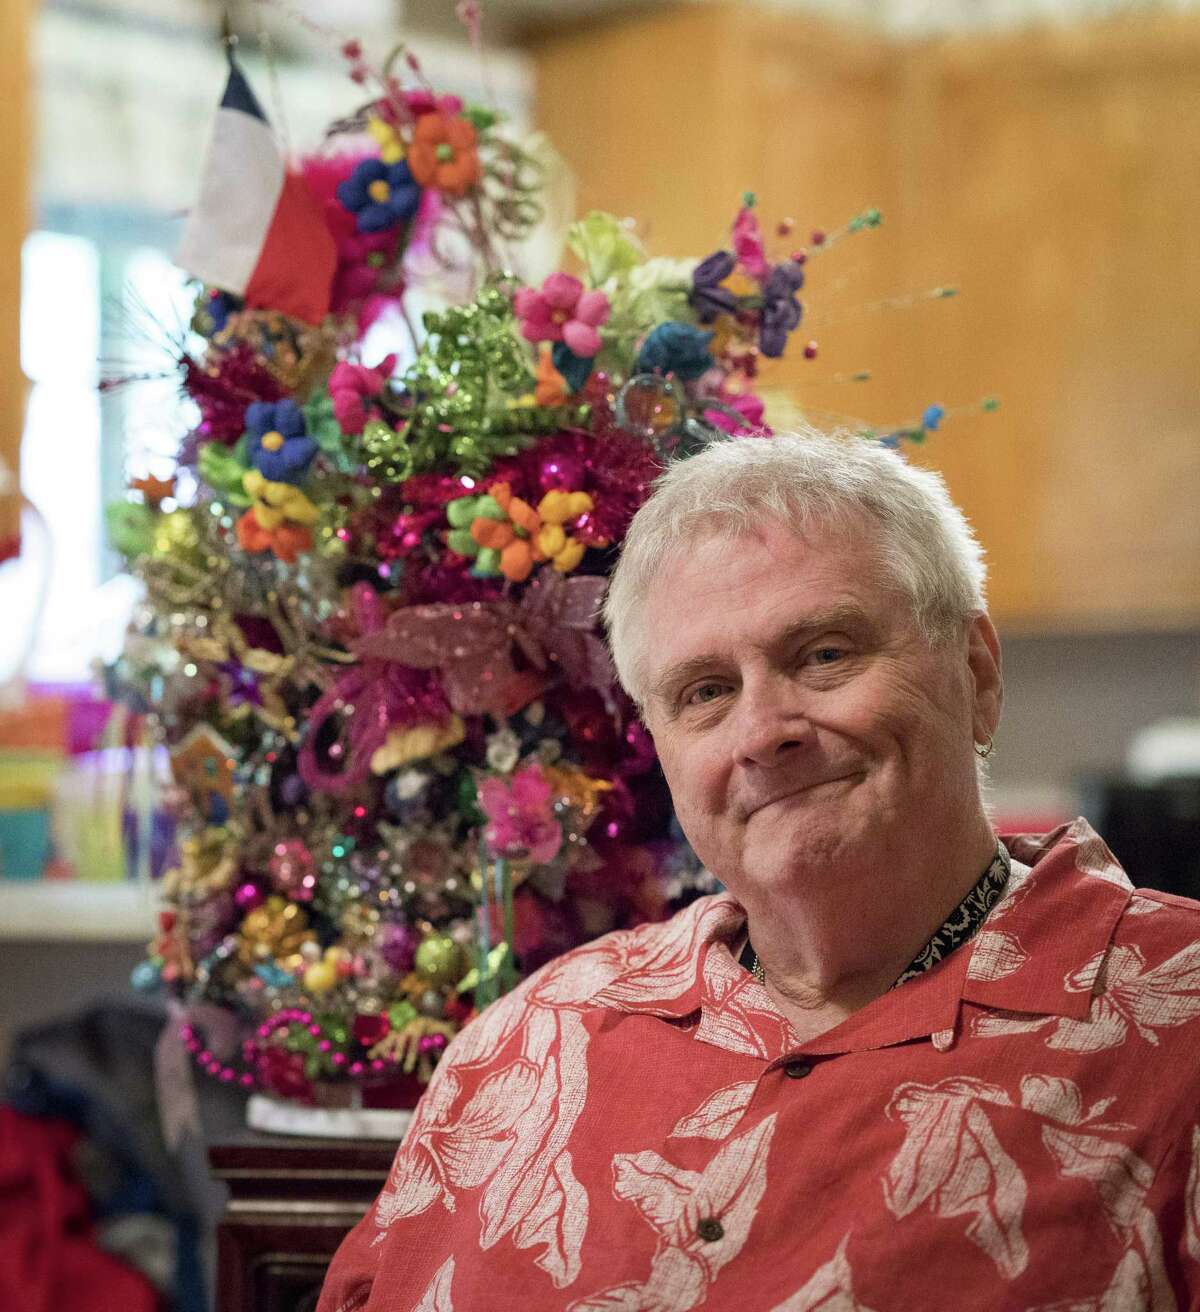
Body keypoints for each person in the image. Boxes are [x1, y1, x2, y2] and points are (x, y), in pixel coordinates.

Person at [319, 430, 1200, 1312]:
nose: (763, 731)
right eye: (705, 691)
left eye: (824, 654)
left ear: (977, 671)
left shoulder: (1176, 1028)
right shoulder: (528, 1041)